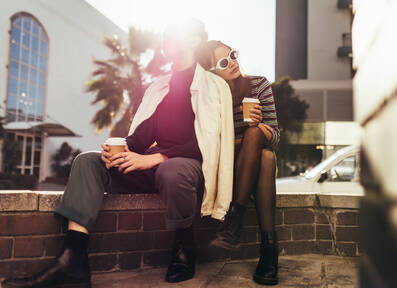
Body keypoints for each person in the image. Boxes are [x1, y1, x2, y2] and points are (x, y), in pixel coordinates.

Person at [1, 19, 234, 288]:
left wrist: (157, 157)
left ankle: (184, 246)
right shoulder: (159, 88)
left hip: (189, 170)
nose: (167, 38)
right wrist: (119, 149)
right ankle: (72, 260)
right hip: (153, 168)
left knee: (173, 170)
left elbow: (210, 142)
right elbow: (140, 138)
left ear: (194, 40)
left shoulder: (215, 87)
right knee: (88, 161)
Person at [197, 40, 281, 285]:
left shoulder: (259, 85)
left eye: (232, 54)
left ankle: (235, 225)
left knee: (264, 153)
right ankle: (268, 250)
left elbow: (275, 138)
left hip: (255, 168)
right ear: (211, 73)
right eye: (224, 62)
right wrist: (245, 141)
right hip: (227, 171)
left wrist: (257, 129)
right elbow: (211, 145)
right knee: (256, 144)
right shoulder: (210, 98)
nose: (232, 62)